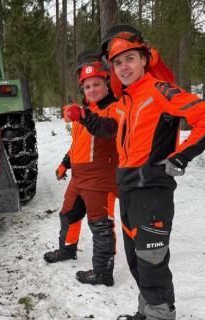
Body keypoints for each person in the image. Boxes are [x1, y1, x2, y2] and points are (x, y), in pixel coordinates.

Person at [63, 25, 205, 320]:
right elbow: (105, 126)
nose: (123, 67)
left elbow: (202, 116)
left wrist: (181, 157)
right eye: (117, 63)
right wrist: (84, 115)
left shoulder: (159, 91)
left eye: (129, 59)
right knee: (137, 258)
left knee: (152, 258)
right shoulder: (125, 101)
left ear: (144, 58)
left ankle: (160, 315)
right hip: (128, 190)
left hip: (153, 190)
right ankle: (148, 311)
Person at [44, 51, 119, 287]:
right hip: (78, 177)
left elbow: (106, 129)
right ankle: (67, 250)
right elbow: (78, 144)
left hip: (101, 178)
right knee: (68, 214)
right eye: (87, 86)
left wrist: (83, 115)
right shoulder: (82, 113)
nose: (92, 90)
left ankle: (103, 273)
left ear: (107, 83)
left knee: (101, 226)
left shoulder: (115, 108)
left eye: (97, 84)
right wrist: (65, 163)